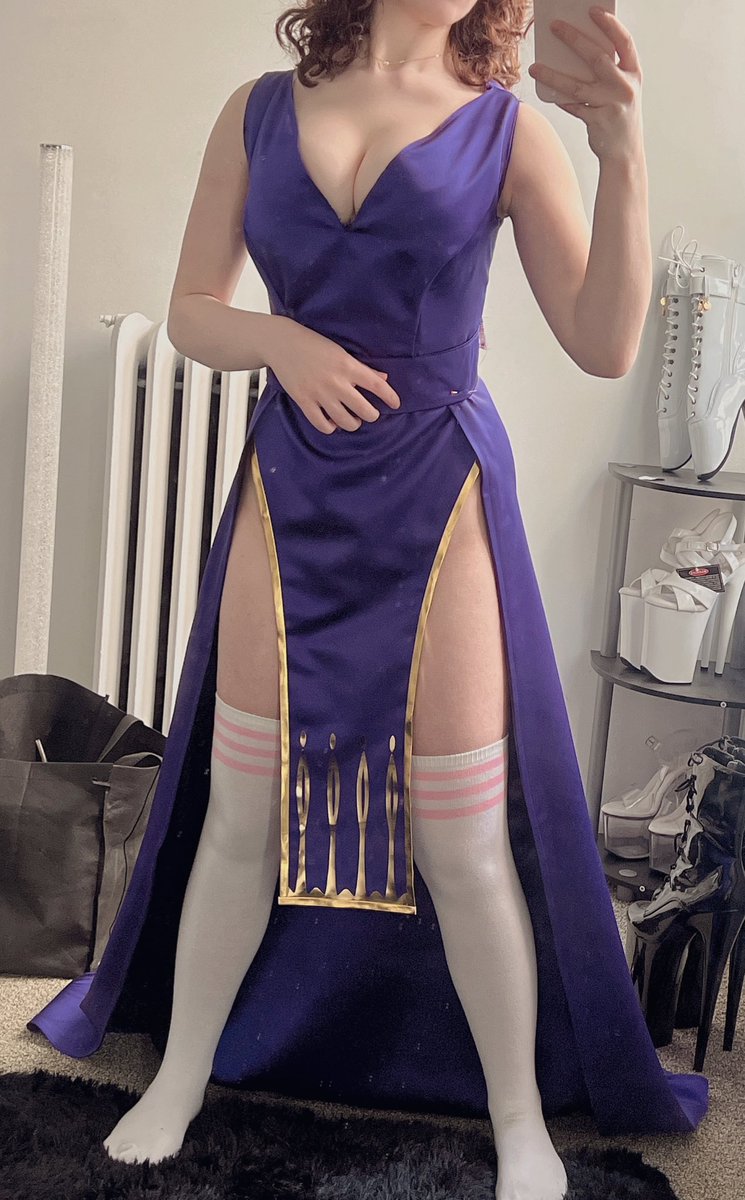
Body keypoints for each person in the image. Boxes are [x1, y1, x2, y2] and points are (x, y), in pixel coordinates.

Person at [27, 3, 708, 1198]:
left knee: (459, 836)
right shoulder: (256, 110)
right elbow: (193, 310)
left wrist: (621, 148)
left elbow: (603, 342)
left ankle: (517, 1120)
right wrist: (279, 342)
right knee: (242, 810)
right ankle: (180, 1073)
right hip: (286, 486)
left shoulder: (505, 128)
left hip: (439, 490)